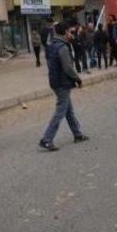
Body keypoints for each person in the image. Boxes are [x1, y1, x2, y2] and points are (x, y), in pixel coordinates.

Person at [39, 21, 88, 151]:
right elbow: (67, 68)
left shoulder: (53, 44)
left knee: (68, 110)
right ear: (65, 33)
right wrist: (78, 79)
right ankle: (47, 139)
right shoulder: (63, 47)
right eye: (71, 32)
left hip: (56, 81)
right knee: (60, 111)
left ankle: (77, 134)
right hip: (62, 83)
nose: (73, 34)